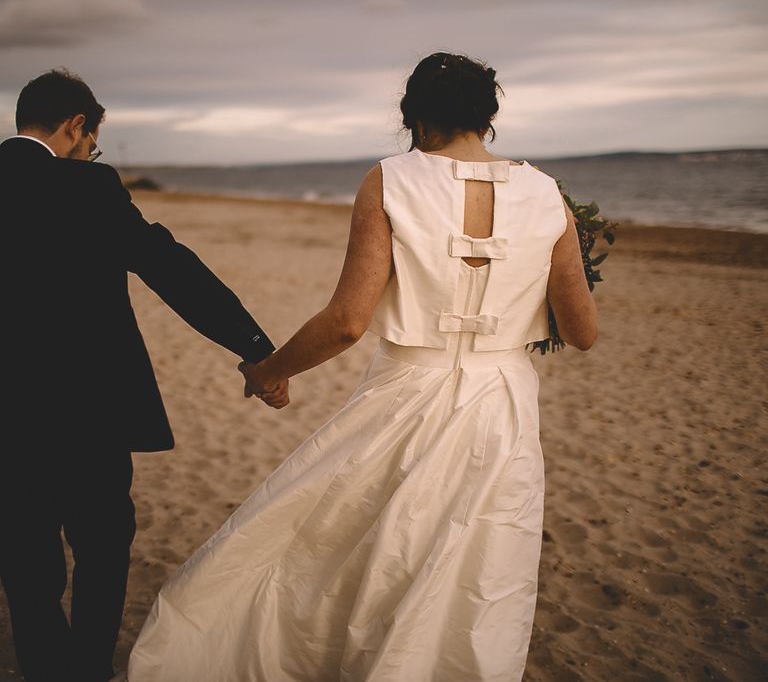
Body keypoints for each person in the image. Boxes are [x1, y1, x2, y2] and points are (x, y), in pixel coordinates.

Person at [120, 51, 598, 681]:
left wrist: (269, 370)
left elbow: (347, 321)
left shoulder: (391, 180)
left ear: (416, 119)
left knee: (339, 541)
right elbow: (583, 331)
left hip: (405, 393)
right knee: (472, 565)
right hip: (502, 405)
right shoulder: (545, 194)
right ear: (489, 116)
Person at [0, 69, 285, 682]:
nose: (90, 152)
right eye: (91, 141)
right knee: (103, 548)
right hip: (89, 410)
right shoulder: (90, 186)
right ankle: (88, 670)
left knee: (26, 562)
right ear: (76, 125)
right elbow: (171, 269)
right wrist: (255, 350)